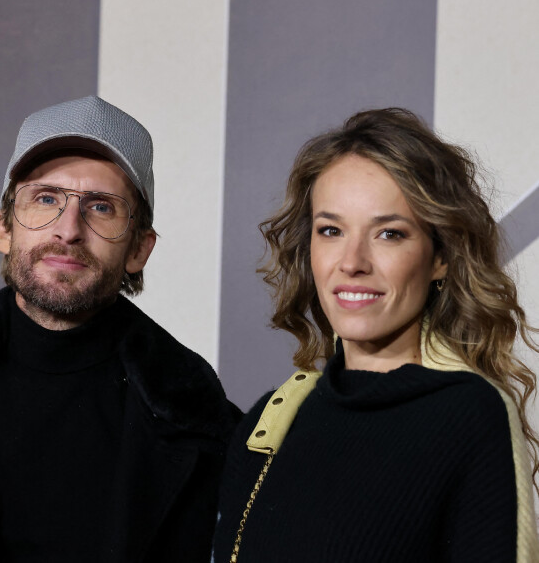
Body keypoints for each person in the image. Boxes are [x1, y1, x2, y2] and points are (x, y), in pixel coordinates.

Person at [213, 108, 539, 562]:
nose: (352, 261)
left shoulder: (467, 415)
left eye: (389, 233)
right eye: (331, 230)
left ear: (440, 257)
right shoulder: (267, 424)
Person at [0, 96, 239, 562]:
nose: (68, 230)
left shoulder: (197, 415)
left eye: (101, 207)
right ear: (4, 229)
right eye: (46, 198)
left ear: (139, 249)